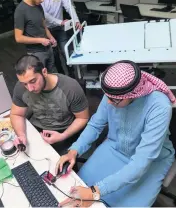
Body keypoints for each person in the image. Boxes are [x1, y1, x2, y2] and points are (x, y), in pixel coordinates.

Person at [56, 60, 175, 207]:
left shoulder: (159, 107)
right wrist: (74, 150)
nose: (109, 102)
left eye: (115, 100)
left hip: (150, 162)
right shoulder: (114, 94)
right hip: (115, 147)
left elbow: (141, 163)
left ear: (133, 94)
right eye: (107, 97)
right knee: (75, 188)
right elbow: (95, 125)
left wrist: (95, 192)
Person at [10, 55, 89, 155]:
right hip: (38, 129)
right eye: (25, 84)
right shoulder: (21, 87)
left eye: (33, 81)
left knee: (61, 167)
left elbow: (83, 118)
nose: (29, 88)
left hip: (63, 131)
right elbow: (16, 114)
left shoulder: (70, 88)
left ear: (44, 72)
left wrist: (63, 135)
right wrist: (21, 135)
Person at [14, 0, 57, 73]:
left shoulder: (39, 6)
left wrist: (51, 37)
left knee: (53, 73)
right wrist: (40, 40)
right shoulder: (20, 10)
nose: (42, 0)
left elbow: (44, 26)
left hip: (48, 48)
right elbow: (18, 38)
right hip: (36, 53)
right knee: (40, 78)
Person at [41, 0, 81, 75]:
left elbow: (68, 6)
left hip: (60, 28)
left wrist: (76, 20)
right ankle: (61, 75)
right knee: (54, 56)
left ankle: (72, 74)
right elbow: (44, 15)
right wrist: (60, 22)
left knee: (65, 51)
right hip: (48, 30)